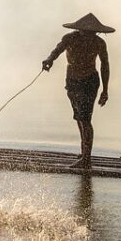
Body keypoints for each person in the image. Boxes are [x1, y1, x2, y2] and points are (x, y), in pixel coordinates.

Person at [42, 12, 113, 169]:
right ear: (79, 30)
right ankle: (84, 152)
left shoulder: (99, 43)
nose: (89, 35)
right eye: (86, 32)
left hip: (89, 81)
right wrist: (49, 60)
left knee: (85, 119)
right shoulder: (70, 38)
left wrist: (105, 90)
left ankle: (86, 158)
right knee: (79, 117)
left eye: (92, 33)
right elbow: (57, 50)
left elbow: (105, 65)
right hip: (72, 81)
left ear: (96, 32)